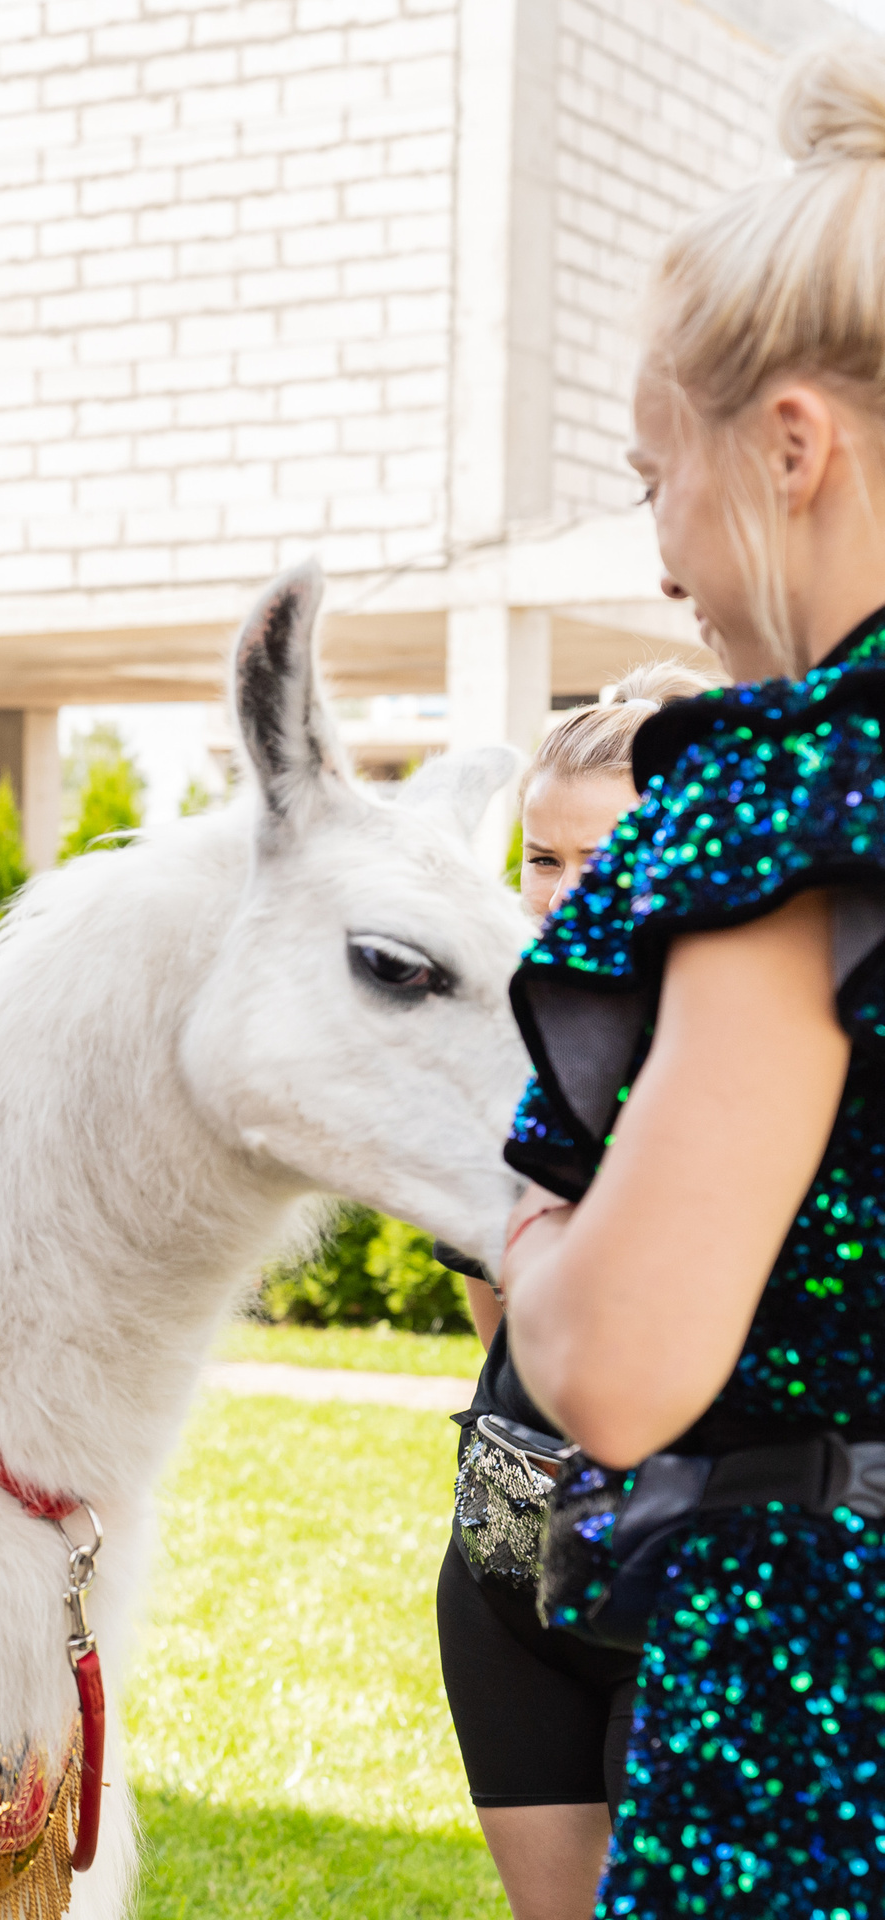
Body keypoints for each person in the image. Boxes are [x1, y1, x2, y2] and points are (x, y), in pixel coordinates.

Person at [499, 39, 885, 1917]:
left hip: (822, 1727)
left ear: (791, 447)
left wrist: (527, 1245)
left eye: (661, 478)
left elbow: (622, 1371)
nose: (664, 563)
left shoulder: (802, 797)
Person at [435, 662, 716, 1920]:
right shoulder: (505, 1061)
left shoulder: (770, 1056)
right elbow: (500, 1315)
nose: (555, 892)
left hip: (690, 1587)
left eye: (591, 856)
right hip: (503, 1582)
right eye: (537, 860)